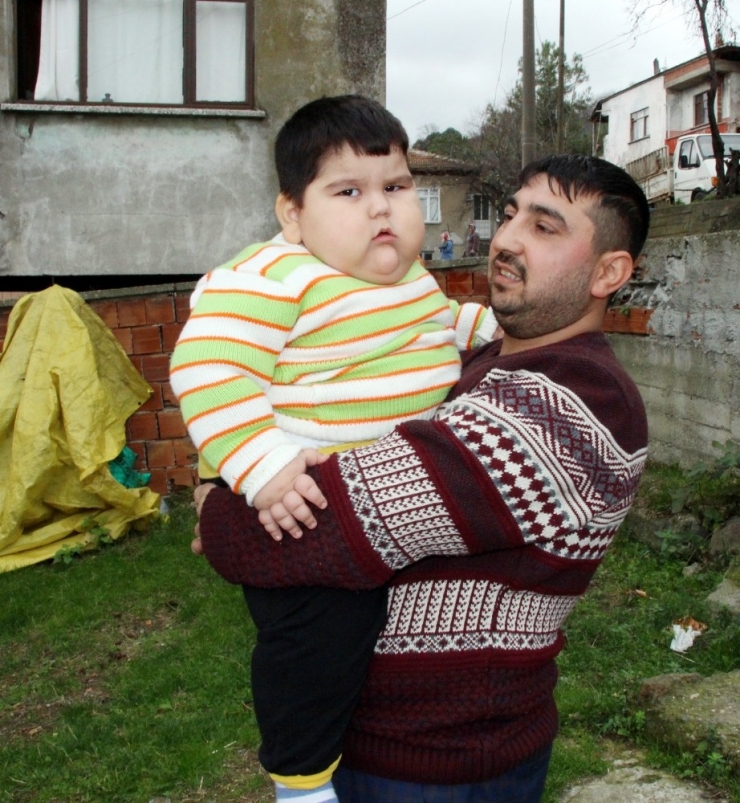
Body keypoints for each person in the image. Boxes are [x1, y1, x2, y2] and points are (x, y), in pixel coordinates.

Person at [193, 153, 651, 802]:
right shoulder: (475, 361)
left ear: (610, 270)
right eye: (513, 213)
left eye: (546, 228)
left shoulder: (573, 403)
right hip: (381, 738)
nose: (509, 237)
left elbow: (324, 528)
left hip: (442, 762)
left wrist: (219, 501)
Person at [170, 94, 496, 803]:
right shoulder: (274, 277)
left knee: (377, 642)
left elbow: (437, 324)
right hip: (305, 502)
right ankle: (302, 778)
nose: (380, 209)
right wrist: (262, 467)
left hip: (387, 503)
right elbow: (209, 368)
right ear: (293, 214)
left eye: (397, 187)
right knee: (315, 645)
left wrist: (489, 327)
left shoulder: (407, 277)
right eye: (348, 191)